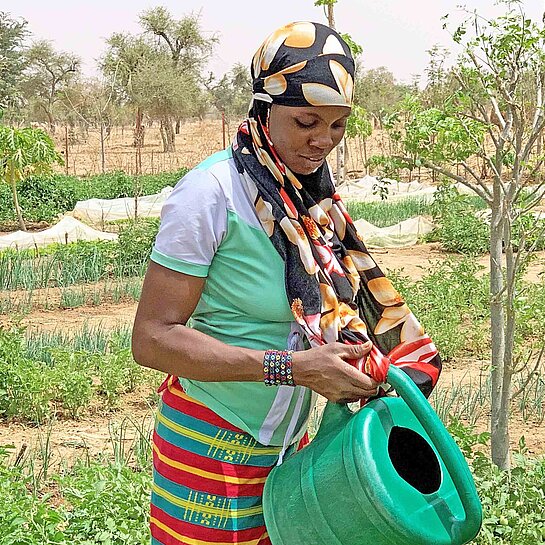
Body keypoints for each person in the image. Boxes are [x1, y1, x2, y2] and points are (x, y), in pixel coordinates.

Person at [132, 20, 441, 545]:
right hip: (213, 442)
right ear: (264, 107)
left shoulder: (306, 197)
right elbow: (152, 338)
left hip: (289, 447)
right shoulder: (211, 194)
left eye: (338, 125)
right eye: (306, 121)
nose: (324, 141)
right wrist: (290, 369)